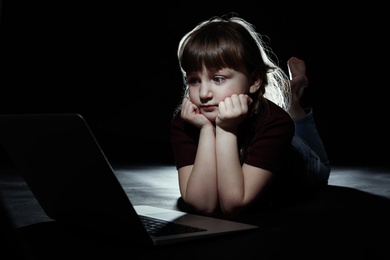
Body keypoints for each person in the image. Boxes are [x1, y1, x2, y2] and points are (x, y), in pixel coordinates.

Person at [170, 15, 331, 217]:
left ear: (254, 80)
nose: (203, 94)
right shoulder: (187, 120)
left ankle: (294, 103)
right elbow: (202, 205)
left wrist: (226, 128)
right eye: (193, 80)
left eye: (218, 79)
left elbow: (234, 204)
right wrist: (205, 130)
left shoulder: (275, 122)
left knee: (322, 169)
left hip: (297, 156)